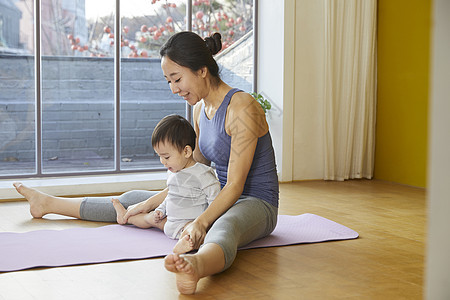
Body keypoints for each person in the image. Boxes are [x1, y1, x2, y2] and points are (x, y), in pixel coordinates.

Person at [13, 31, 279, 295]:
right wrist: (150, 202)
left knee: (224, 225)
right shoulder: (200, 109)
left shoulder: (242, 108)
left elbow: (234, 185)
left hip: (254, 202)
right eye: (169, 82)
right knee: (133, 199)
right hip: (213, 196)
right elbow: (194, 172)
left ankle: (195, 266)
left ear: (201, 70)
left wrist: (201, 222)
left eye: (177, 79)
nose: (174, 89)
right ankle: (48, 203)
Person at [111, 114, 220, 254]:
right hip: (169, 223)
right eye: (160, 156)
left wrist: (207, 223)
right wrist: (161, 210)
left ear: (186, 151)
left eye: (166, 157)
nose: (163, 161)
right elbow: (171, 196)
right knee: (148, 218)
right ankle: (125, 217)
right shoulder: (173, 172)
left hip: (188, 224)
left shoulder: (203, 174)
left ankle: (185, 244)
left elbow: (215, 201)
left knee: (194, 235)